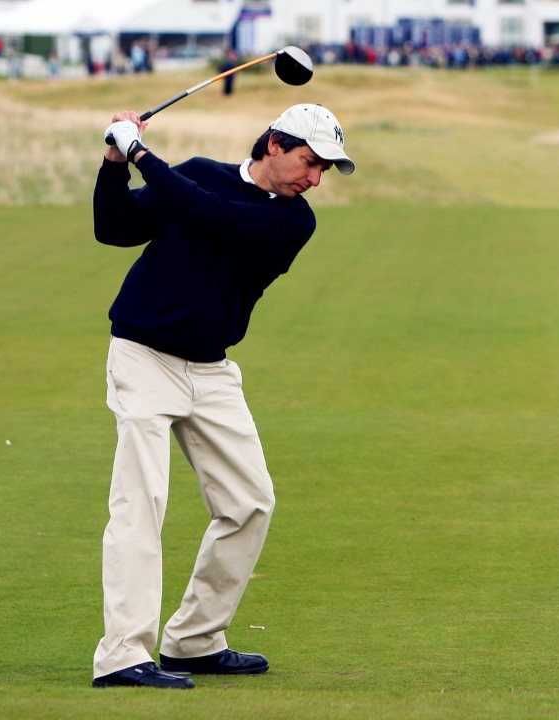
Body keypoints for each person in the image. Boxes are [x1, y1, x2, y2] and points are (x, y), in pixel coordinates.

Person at [91, 103, 355, 689]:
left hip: (211, 371)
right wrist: (115, 163)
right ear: (274, 145)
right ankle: (122, 654)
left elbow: (213, 218)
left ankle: (194, 640)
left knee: (250, 502)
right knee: (141, 503)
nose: (315, 180)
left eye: (324, 171)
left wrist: (140, 153)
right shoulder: (197, 174)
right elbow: (115, 228)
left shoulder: (293, 222)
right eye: (311, 163)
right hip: (142, 355)